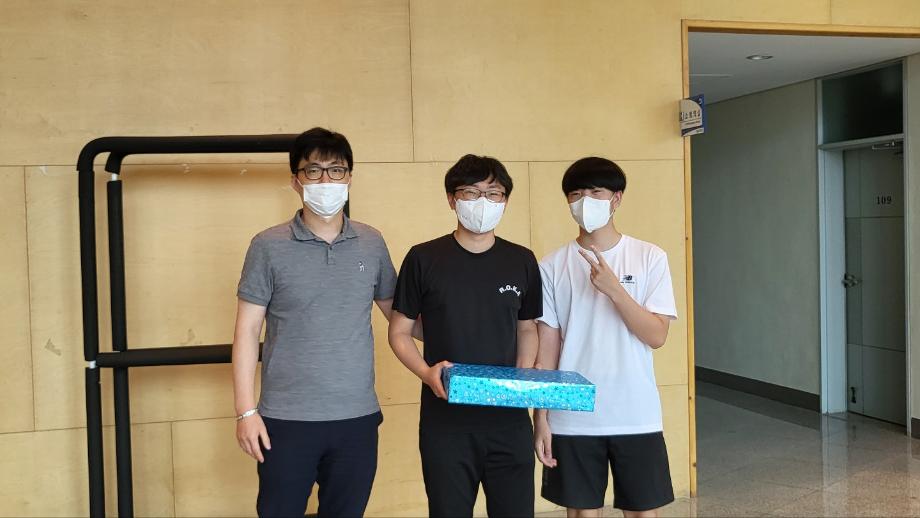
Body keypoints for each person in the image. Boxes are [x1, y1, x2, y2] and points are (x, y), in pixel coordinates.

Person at [232, 127, 399, 517]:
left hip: (357, 417)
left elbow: (400, 318)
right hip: (285, 419)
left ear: (350, 178)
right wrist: (246, 412)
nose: (326, 180)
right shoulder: (267, 245)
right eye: (314, 170)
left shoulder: (372, 243)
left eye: (336, 170)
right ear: (296, 181)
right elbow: (246, 332)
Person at [387, 154, 542, 517]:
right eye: (471, 192)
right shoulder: (423, 258)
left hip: (509, 421)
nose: (482, 202)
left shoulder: (522, 260)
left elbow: (527, 327)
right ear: (451, 199)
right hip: (446, 424)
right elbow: (399, 332)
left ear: (505, 201)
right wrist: (426, 373)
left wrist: (521, 376)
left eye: (493, 193)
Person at [534, 157, 677, 518]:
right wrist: (541, 416)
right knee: (582, 513)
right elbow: (548, 348)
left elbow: (657, 335)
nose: (585, 201)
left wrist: (615, 290)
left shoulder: (649, 256)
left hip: (635, 412)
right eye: (576, 194)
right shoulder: (550, 265)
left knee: (643, 512)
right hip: (572, 413)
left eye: (595, 192)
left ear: (617, 198)